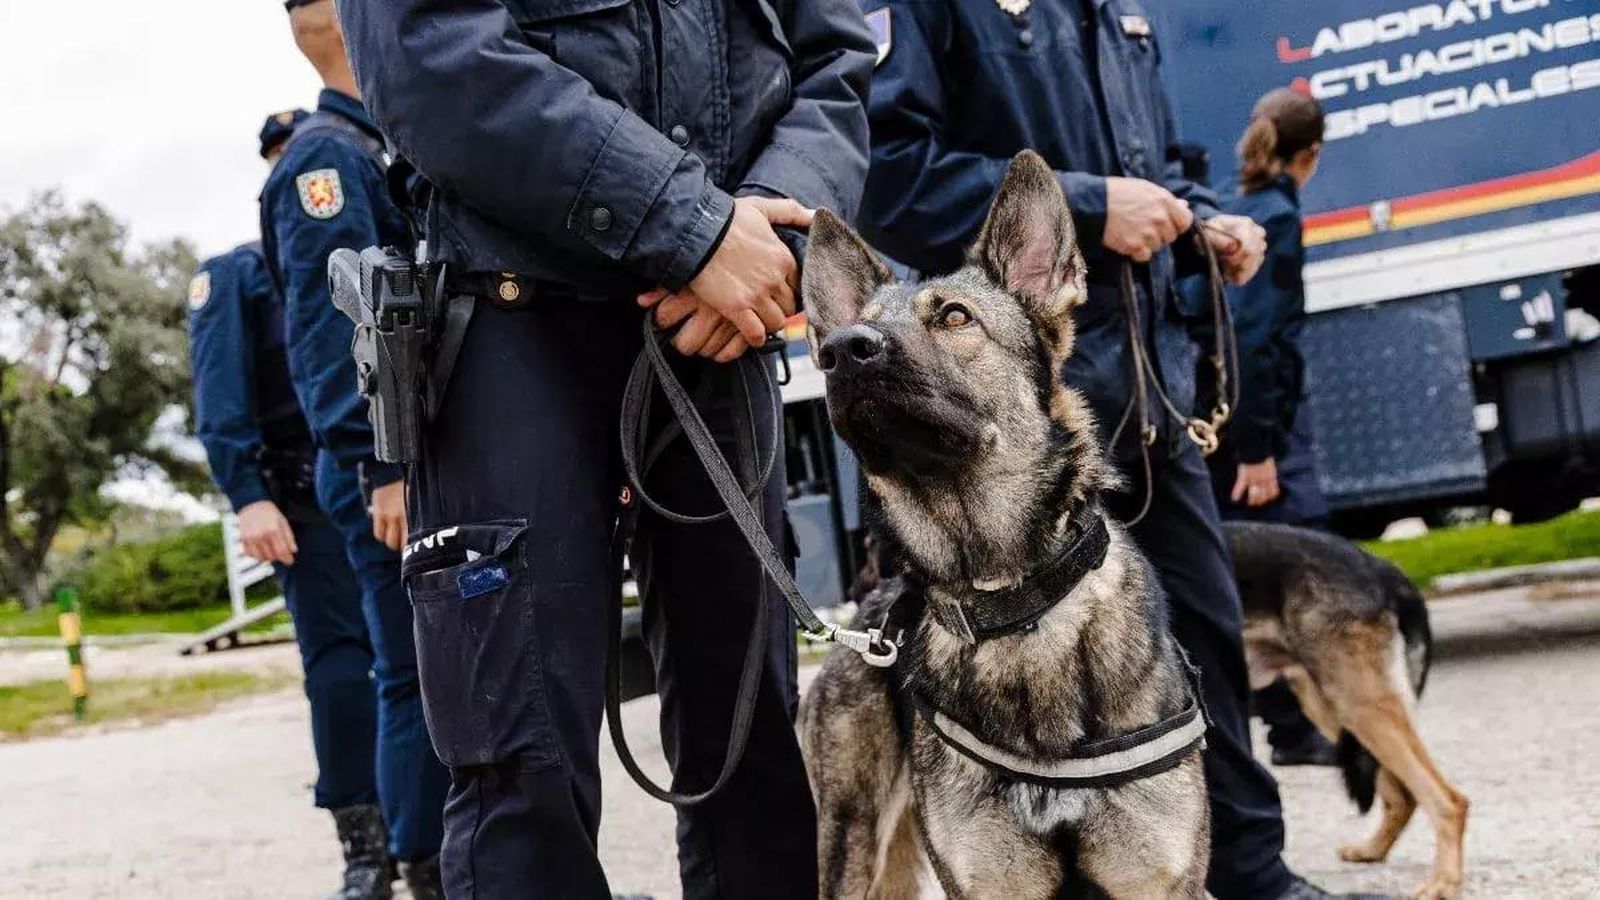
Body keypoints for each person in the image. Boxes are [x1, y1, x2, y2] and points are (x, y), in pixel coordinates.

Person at [336, 0, 874, 896]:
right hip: (513, 324)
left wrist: (764, 238)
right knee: (523, 774)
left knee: (758, 759)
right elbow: (426, 55)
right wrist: (691, 227)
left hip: (723, 330)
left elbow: (839, 62)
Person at [857, 3, 1384, 898]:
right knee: (1023, 663)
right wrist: (1096, 206)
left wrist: (1205, 221)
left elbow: (1165, 171)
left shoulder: (1113, 15)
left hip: (1155, 393)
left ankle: (1251, 872)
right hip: (1023, 423)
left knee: (1206, 640)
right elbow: (892, 176)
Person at [259, 2, 449, 894]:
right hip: (383, 465)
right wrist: (383, 464)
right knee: (411, 673)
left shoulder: (381, 139)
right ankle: (425, 864)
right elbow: (340, 330)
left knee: (437, 664)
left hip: (402, 454)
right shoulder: (328, 158)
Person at [190, 110, 402, 899]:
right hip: (301, 504)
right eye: (284, 159)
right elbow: (220, 399)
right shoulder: (237, 274)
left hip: (374, 477)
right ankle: (364, 845)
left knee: (409, 669)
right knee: (343, 672)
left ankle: (429, 833)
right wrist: (248, 498)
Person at [1201, 87, 1337, 769]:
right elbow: (1254, 338)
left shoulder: (1234, 202)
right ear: (1309, 154)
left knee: (1249, 574)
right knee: (1291, 569)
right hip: (1256, 428)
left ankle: (1292, 727)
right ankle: (1295, 730)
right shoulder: (1277, 216)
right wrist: (1257, 450)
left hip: (1227, 417)